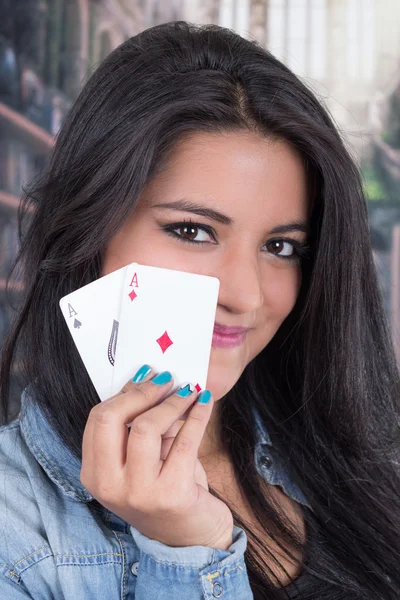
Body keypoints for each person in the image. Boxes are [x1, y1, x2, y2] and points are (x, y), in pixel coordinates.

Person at [0, 20, 399, 600]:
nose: (246, 294)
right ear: (87, 228)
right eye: (192, 230)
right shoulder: (13, 532)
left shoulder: (337, 444)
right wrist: (187, 557)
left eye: (281, 246)